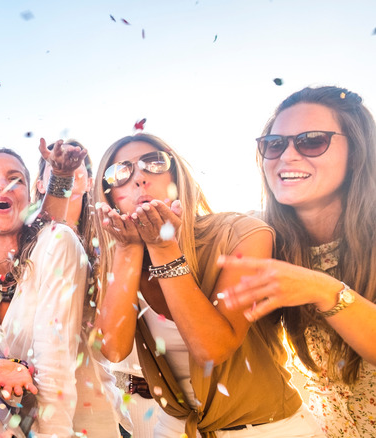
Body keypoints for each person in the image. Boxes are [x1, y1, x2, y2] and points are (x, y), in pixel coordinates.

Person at [93, 133, 323, 437]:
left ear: (177, 177)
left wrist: (164, 248)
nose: (139, 178)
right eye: (120, 172)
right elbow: (112, 349)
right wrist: (127, 251)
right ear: (109, 195)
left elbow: (211, 349)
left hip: (266, 428)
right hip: (174, 428)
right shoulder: (119, 256)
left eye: (154, 163)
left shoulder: (243, 232)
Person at [219, 86, 376, 437]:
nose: (287, 155)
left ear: (357, 151)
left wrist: (325, 290)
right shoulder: (259, 238)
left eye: (311, 141)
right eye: (274, 144)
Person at [0, 148, 123, 437]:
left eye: (16, 179)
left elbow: (54, 365)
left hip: (88, 425)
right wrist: (0, 365)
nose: (3, 185)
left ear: (28, 203)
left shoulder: (56, 244)